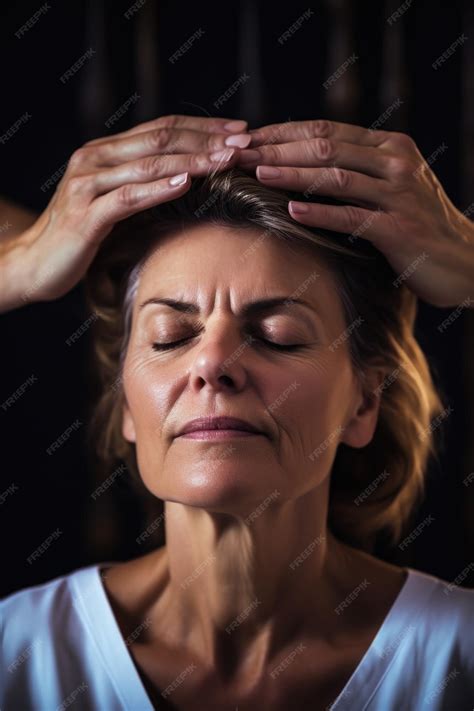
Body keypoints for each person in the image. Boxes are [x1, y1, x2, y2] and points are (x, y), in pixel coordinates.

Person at [1, 116, 473, 710]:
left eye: (277, 335)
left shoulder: (459, 655)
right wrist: (14, 265)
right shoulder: (19, 652)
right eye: (171, 336)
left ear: (364, 401)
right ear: (124, 400)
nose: (213, 363)